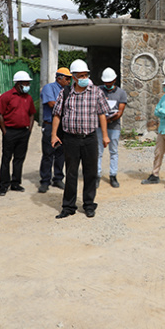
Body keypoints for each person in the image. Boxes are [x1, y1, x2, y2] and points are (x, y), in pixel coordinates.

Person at [50, 59, 110, 219]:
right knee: (71, 173)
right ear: (74, 77)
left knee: (90, 173)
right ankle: (68, 206)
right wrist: (54, 134)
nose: (84, 78)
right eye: (81, 75)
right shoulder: (66, 93)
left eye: (86, 75)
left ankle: (89, 205)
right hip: (71, 139)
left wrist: (104, 135)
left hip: (90, 138)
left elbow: (102, 114)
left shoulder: (96, 92)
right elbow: (57, 114)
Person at [0, 70, 36, 196]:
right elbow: (0, 115)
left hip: (23, 132)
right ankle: (3, 185)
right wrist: (5, 131)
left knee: (19, 159)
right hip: (10, 132)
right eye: (25, 83)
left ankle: (15, 183)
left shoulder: (28, 98)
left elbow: (32, 114)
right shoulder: (6, 97)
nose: (27, 86)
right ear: (18, 84)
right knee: (6, 158)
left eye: (28, 83)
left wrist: (29, 129)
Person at [39, 67, 72, 193]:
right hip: (50, 124)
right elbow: (52, 104)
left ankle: (58, 178)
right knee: (48, 153)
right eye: (67, 78)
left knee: (61, 153)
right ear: (59, 78)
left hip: (63, 126)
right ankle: (45, 181)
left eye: (70, 79)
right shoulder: (49, 88)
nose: (69, 81)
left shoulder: (68, 90)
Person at [96, 67, 127, 188]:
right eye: (105, 82)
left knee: (113, 151)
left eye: (109, 82)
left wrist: (107, 119)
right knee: (98, 151)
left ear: (114, 80)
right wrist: (102, 119)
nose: (107, 84)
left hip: (114, 127)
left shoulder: (121, 93)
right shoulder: (98, 90)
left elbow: (120, 112)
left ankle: (113, 175)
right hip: (98, 126)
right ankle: (97, 175)